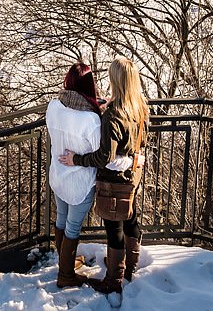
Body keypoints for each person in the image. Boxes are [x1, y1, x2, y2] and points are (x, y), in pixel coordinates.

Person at [59, 56, 148, 294]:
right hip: (133, 175)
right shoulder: (139, 106)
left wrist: (76, 159)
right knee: (130, 217)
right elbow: (142, 141)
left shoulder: (113, 115)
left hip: (113, 181)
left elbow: (103, 157)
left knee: (114, 229)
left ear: (116, 80)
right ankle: (131, 266)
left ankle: (114, 279)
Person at [46, 61, 103, 288]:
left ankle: (64, 261)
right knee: (72, 227)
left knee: (61, 219)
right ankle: (66, 275)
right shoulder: (91, 120)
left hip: (58, 176)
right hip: (80, 182)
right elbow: (101, 152)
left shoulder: (53, 106)